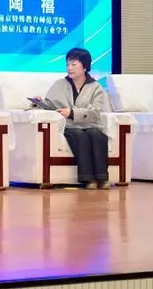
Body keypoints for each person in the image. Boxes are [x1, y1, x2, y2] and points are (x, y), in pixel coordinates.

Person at [38, 47, 111, 189]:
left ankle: (102, 178)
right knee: (79, 135)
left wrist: (72, 112)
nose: (69, 68)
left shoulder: (96, 87)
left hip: (90, 125)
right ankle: (88, 179)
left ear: (85, 66)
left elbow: (95, 112)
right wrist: (38, 102)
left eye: (74, 64)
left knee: (97, 135)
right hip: (69, 126)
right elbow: (49, 106)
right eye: (67, 64)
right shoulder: (59, 84)